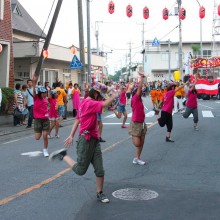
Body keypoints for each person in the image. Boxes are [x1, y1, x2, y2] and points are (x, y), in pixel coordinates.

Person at [49, 83, 117, 203]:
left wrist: (71, 135)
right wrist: (116, 95)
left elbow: (78, 119)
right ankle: (63, 155)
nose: (100, 99)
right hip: (85, 141)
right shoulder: (90, 103)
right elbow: (105, 104)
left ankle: (100, 193)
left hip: (94, 140)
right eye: (100, 96)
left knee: (99, 170)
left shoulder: (84, 101)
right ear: (95, 94)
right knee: (80, 170)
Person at [129, 75, 147, 165]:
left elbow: (141, 88)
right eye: (138, 91)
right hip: (136, 123)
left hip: (142, 123)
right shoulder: (135, 98)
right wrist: (141, 78)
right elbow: (140, 87)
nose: (141, 91)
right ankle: (132, 135)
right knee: (137, 143)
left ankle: (137, 158)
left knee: (142, 142)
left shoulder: (139, 100)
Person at [32, 75, 50, 157]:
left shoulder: (46, 99)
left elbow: (48, 106)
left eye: (45, 93)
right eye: (43, 93)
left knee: (45, 136)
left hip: (46, 119)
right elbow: (33, 90)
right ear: (39, 93)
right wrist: (34, 81)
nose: (44, 94)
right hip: (37, 120)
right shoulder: (36, 98)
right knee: (37, 138)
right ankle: (39, 132)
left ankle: (45, 150)